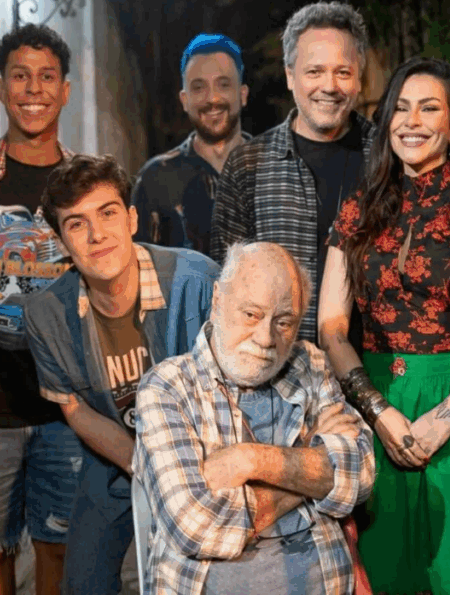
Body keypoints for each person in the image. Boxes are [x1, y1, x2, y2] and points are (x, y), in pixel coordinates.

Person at [317, 57, 450, 594]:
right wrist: (379, 409)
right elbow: (333, 328)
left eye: (429, 108)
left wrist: (446, 415)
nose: (412, 120)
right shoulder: (356, 212)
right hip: (374, 403)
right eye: (401, 108)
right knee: (381, 571)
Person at [24, 153, 220, 594]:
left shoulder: (197, 280)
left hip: (204, 451)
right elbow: (75, 409)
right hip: (115, 449)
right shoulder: (46, 314)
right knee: (84, 581)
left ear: (132, 219)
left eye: (107, 213)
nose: (97, 235)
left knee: (209, 572)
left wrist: (185, 476)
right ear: (60, 242)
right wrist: (143, 465)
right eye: (76, 224)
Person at [134, 241, 376, 595]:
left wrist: (249, 460)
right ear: (217, 300)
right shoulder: (168, 386)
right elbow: (195, 527)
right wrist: (310, 463)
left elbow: (362, 473)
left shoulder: (310, 363)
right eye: (251, 314)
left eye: (284, 322)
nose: (265, 338)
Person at [0, 23, 84, 595]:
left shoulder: (86, 183)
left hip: (68, 408)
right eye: (20, 75)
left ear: (64, 89)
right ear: (3, 86)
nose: (33, 88)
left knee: (58, 550)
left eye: (46, 76)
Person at [210, 1, 372, 346]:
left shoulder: (387, 156)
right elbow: (225, 282)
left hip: (376, 371)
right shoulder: (248, 164)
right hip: (278, 372)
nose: (329, 86)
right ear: (289, 75)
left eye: (343, 72)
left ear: (360, 77)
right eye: (314, 71)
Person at [131, 33, 251, 252]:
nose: (212, 99)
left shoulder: (275, 169)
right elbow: (141, 267)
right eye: (199, 88)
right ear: (184, 100)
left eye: (223, 85)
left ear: (242, 94)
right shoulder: (156, 178)